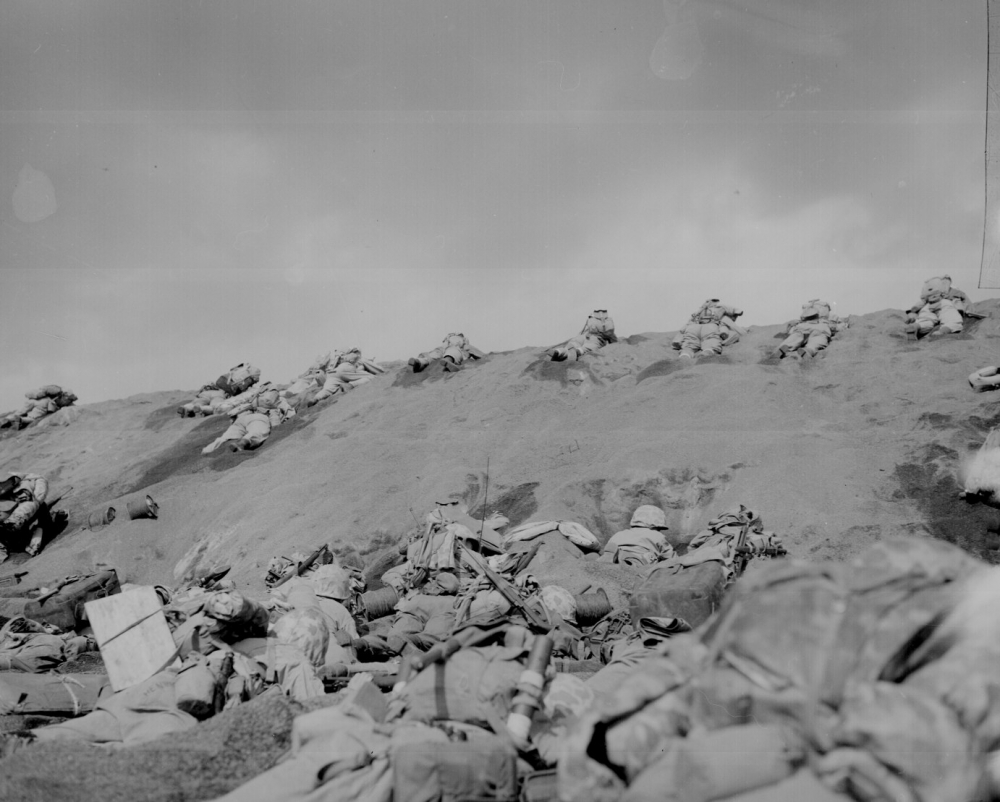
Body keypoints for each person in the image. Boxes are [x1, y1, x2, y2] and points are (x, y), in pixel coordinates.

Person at [201, 383, 295, 453]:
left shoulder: (253, 398)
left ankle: (206, 450)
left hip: (242, 417)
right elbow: (288, 413)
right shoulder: (279, 400)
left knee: (224, 437)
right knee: (257, 433)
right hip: (259, 418)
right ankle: (243, 443)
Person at [177, 363, 261, 417]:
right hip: (220, 395)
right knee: (213, 407)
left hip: (208, 392)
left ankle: (186, 408)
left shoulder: (237, 369)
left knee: (197, 401)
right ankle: (201, 409)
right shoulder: (247, 378)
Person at [600, 505, 674, 566]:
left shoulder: (619, 534)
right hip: (638, 559)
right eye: (659, 528)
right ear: (655, 526)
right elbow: (670, 557)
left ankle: (612, 558)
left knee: (621, 557)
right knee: (639, 564)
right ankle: (625, 562)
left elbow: (609, 545)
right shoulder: (657, 536)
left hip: (619, 552)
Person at [0, 471, 49, 561]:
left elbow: (36, 500)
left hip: (26, 506)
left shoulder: (28, 484)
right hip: (17, 515)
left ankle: (12, 529)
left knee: (28, 507)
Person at [671, 299, 744, 358]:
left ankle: (685, 355)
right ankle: (707, 352)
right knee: (711, 342)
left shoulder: (699, 311)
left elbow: (687, 324)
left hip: (693, 327)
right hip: (710, 326)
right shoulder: (720, 307)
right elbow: (738, 311)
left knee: (689, 345)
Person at [777, 299, 848, 359]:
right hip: (819, 331)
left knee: (794, 338)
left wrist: (791, 328)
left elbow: (791, 330)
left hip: (801, 329)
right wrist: (844, 325)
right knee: (816, 342)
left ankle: (783, 348)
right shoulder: (827, 321)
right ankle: (808, 350)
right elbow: (838, 327)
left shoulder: (800, 322)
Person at [309, 348, 384, 404]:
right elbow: (379, 371)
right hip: (344, 369)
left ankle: (316, 398)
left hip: (331, 373)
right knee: (371, 377)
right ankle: (350, 385)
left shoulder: (333, 361)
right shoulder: (360, 359)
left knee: (327, 390)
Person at [550, 310, 618, 362]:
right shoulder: (607, 328)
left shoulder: (590, 326)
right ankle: (576, 352)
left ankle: (559, 351)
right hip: (595, 339)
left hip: (582, 336)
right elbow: (614, 343)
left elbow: (581, 333)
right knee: (584, 349)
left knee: (572, 345)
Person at [0, 386, 76, 430]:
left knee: (20, 412)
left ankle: (8, 419)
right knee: (32, 418)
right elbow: (50, 410)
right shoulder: (54, 400)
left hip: (33, 401)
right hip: (43, 404)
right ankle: (20, 420)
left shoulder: (47, 393)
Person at [408, 333, 486, 373]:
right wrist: (481, 356)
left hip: (443, 346)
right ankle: (448, 360)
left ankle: (419, 362)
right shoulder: (463, 340)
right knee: (454, 351)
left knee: (433, 355)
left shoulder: (448, 338)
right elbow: (470, 349)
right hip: (455, 346)